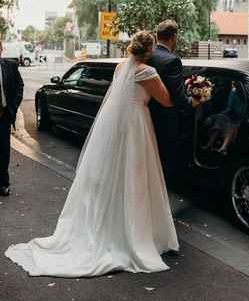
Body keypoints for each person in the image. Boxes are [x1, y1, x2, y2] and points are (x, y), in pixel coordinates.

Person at [5, 31, 179, 277]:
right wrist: (193, 96)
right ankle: (136, 233)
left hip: (118, 126)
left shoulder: (121, 67)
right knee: (136, 175)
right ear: (149, 51)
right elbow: (167, 100)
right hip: (136, 125)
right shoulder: (147, 72)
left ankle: (111, 226)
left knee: (114, 175)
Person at [149, 20, 199, 182]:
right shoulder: (172, 61)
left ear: (157, 36)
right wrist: (196, 100)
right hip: (165, 121)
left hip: (146, 116)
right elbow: (178, 97)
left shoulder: (146, 55)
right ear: (174, 37)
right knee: (164, 163)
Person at [0, 40, 24, 197]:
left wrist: (12, 108)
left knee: (3, 151)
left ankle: (3, 184)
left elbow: (19, 86)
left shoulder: (10, 65)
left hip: (3, 116)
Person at [202, 83, 244, 155]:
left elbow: (229, 109)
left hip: (233, 118)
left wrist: (213, 116)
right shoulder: (244, 94)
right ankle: (220, 147)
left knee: (225, 121)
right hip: (236, 118)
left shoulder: (234, 91)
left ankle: (211, 145)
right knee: (222, 122)